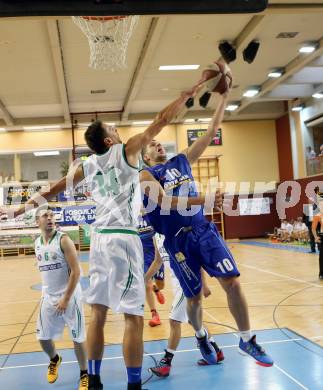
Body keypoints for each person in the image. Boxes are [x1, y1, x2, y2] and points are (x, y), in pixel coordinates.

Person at [0, 82, 205, 390]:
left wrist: (20, 210)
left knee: (98, 314)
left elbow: (53, 190)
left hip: (98, 240)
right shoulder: (126, 151)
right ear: (110, 139)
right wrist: (185, 96)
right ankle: (133, 384)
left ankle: (94, 380)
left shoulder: (88, 164)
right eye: (113, 128)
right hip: (124, 238)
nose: (118, 130)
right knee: (133, 317)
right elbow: (160, 122)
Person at [140, 93, 274, 367]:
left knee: (232, 283)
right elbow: (164, 201)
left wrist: (225, 96)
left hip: (203, 230)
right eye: (152, 145)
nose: (157, 145)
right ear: (145, 156)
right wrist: (205, 199)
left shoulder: (182, 160)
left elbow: (213, 130)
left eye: (159, 142)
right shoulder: (145, 175)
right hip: (177, 243)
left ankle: (247, 339)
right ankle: (201, 335)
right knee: (193, 298)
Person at [144, 237, 224, 377]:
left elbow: (195, 260)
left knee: (174, 321)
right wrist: (144, 279)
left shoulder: (175, 231)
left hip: (187, 283)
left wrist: (204, 285)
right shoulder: (156, 235)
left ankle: (166, 363)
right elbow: (158, 261)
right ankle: (217, 351)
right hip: (177, 285)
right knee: (193, 321)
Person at [34, 207, 88, 390]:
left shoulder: (63, 240)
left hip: (70, 295)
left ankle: (84, 374)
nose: (49, 218)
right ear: (37, 222)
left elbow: (76, 271)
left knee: (78, 338)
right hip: (48, 295)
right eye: (45, 216)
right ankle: (54, 359)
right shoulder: (37, 243)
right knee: (42, 337)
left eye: (51, 215)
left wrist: (65, 298)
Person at [137, 212, 165, 327]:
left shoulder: (153, 214)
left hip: (155, 254)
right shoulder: (133, 216)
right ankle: (154, 314)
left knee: (161, 284)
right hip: (141, 254)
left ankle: (156, 288)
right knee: (146, 284)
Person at [312, 200, 323, 280]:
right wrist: (316, 237)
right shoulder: (318, 216)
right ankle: (321, 273)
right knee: (322, 256)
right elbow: (313, 228)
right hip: (322, 237)